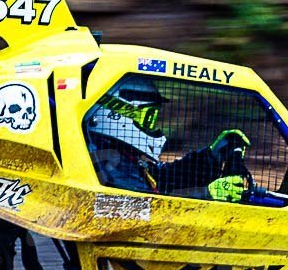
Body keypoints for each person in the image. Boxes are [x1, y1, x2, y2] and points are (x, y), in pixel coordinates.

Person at [84, 81, 252, 201]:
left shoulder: (121, 156)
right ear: (117, 115)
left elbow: (163, 177)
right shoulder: (108, 163)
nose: (153, 127)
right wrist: (207, 193)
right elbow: (147, 209)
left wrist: (211, 156)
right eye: (150, 118)